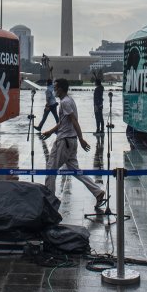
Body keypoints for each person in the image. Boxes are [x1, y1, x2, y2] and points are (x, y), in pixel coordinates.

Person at [39, 78, 106, 210]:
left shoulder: (65, 103)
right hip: (71, 141)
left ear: (62, 89)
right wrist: (50, 131)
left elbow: (74, 120)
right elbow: (63, 122)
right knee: (76, 171)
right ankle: (98, 192)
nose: (55, 91)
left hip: (64, 142)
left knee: (50, 169)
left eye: (56, 88)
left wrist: (81, 138)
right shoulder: (68, 101)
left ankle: (49, 203)